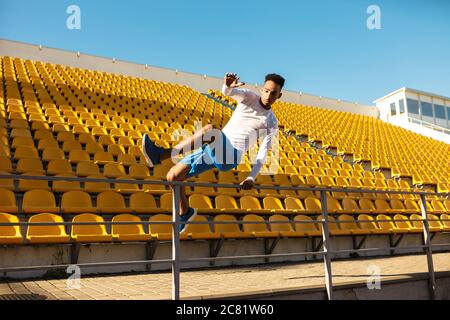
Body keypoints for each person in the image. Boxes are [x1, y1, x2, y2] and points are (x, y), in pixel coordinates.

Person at [142, 72, 284, 233]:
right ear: (262, 89)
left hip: (231, 156)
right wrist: (227, 86)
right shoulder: (249, 97)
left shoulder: (271, 122)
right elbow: (227, 92)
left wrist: (251, 176)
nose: (268, 95)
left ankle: (161, 155)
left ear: (279, 95)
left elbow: (262, 152)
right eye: (266, 90)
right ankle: (185, 212)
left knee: (210, 130)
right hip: (214, 148)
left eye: (273, 93)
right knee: (173, 177)